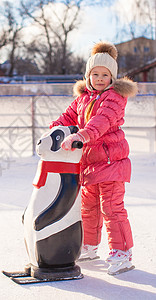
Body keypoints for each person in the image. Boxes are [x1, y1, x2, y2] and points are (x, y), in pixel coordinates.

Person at [49, 41, 137, 275]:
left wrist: (82, 136)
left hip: (111, 162)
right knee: (88, 209)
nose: (99, 78)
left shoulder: (115, 97)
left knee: (112, 208)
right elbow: (67, 117)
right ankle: (89, 246)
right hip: (88, 164)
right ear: (88, 76)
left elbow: (102, 122)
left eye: (105, 74)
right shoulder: (83, 98)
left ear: (112, 77)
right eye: (95, 74)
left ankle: (122, 253)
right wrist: (53, 132)